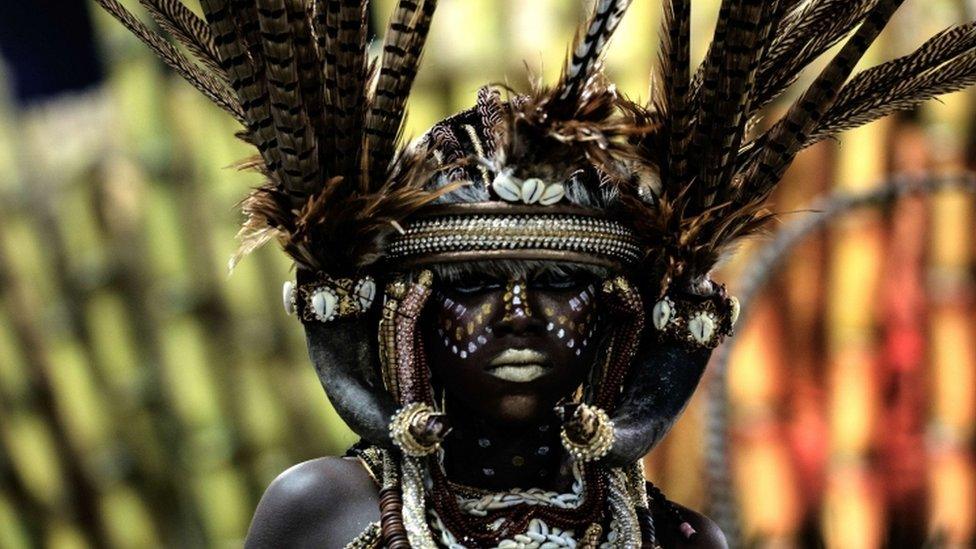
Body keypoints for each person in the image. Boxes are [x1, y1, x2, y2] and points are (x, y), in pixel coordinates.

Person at [98, 0, 976, 546]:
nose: (516, 311)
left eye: (557, 280)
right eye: (474, 286)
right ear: (404, 316)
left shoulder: (670, 536)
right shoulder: (325, 515)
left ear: (616, 317)